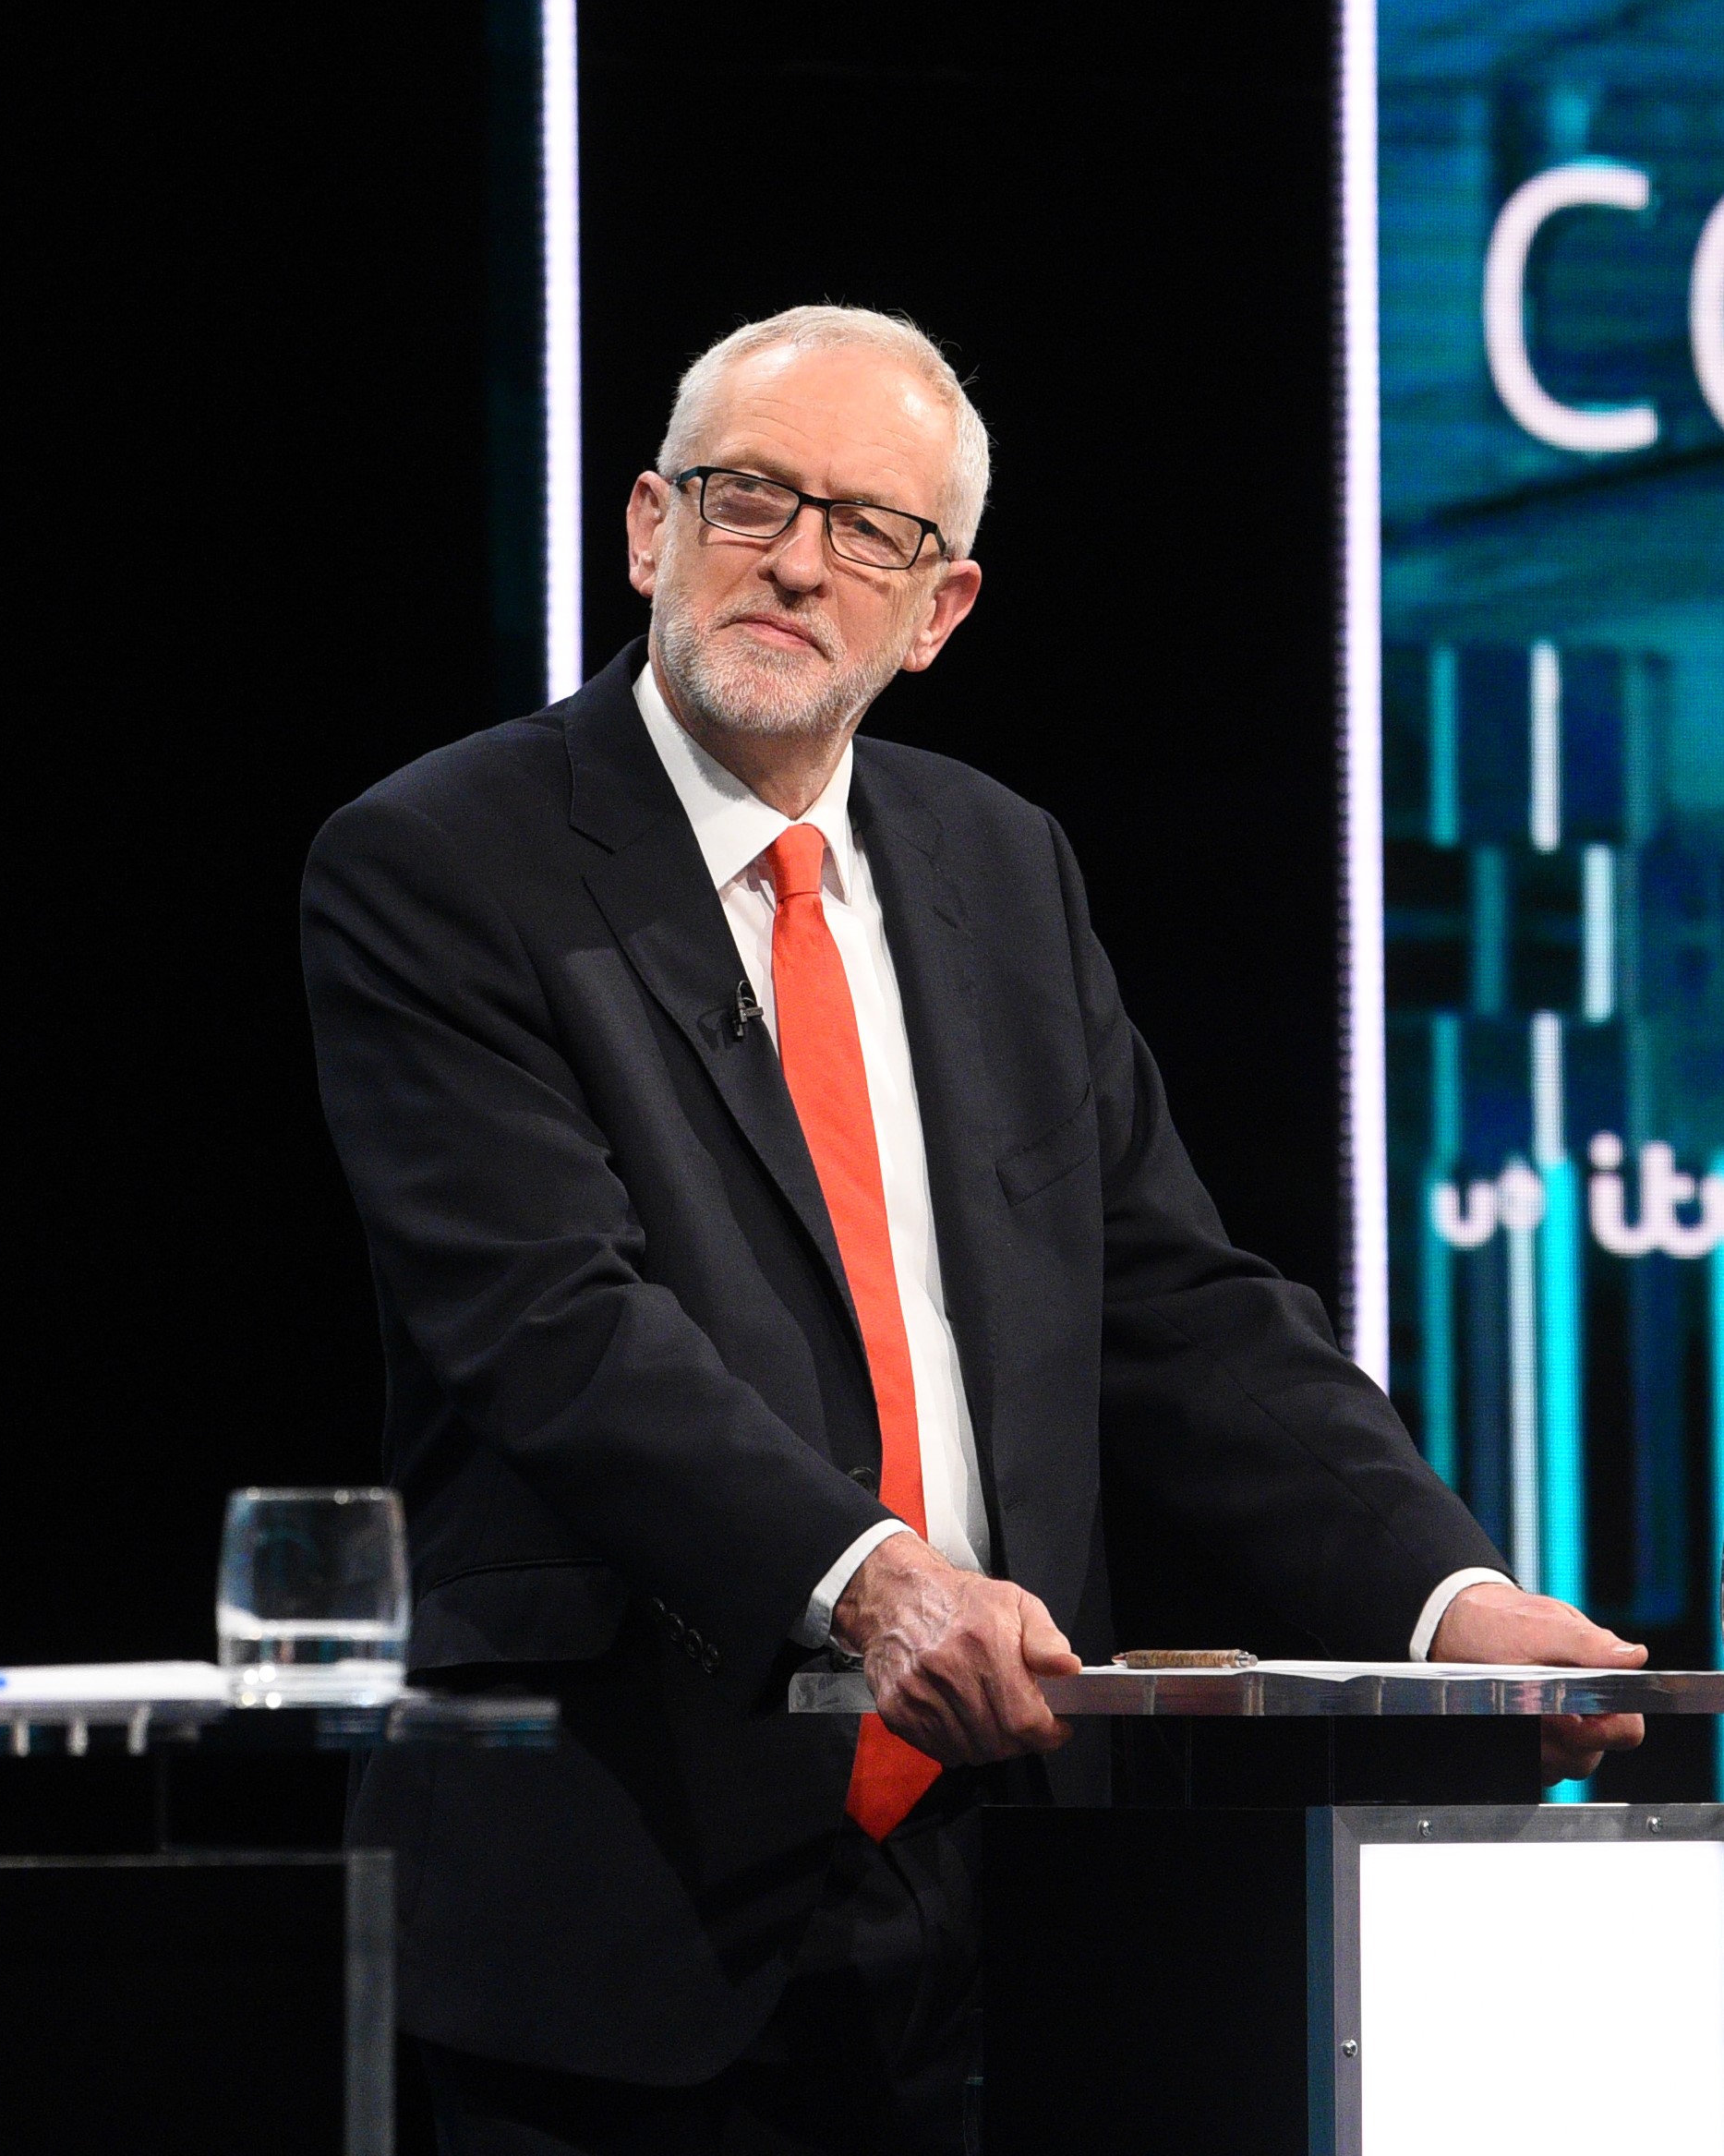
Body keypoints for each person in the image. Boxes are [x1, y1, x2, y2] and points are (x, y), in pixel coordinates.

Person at [299, 305, 1643, 2156]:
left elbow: (1180, 1308)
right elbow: (552, 1327)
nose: (798, 561)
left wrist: (1447, 1602)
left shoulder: (998, 864)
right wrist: (872, 1578)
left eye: (871, 529)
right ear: (647, 528)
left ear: (939, 610)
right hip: (621, 1894)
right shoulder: (443, 859)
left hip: (1003, 1883)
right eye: (750, 497)